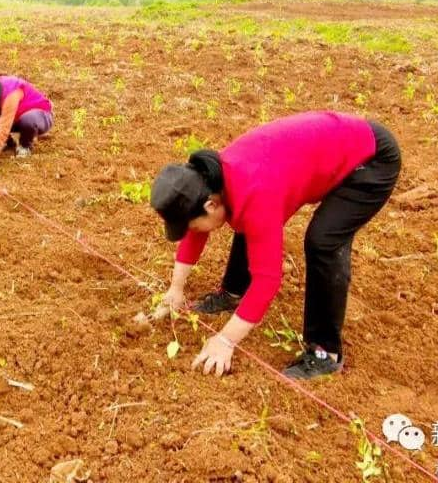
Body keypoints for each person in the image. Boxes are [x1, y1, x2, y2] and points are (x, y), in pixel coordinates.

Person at [150, 111, 400, 380]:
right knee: (244, 213)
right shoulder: (212, 181)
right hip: (324, 148)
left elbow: (267, 280)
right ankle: (233, 293)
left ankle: (325, 352)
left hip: (370, 159)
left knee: (323, 241)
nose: (192, 232)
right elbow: (196, 228)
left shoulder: (256, 193)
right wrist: (175, 290)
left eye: (191, 225)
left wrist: (225, 341)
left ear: (211, 205)